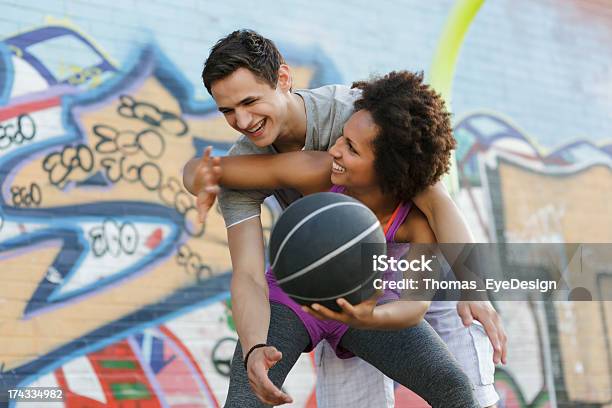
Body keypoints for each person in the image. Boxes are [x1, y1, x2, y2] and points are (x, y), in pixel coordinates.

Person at [186, 29, 505, 407]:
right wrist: (255, 345)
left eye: (250, 101)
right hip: (311, 284)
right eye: (227, 110)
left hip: (389, 280)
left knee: (462, 384)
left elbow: (436, 208)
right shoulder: (315, 166)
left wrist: (474, 289)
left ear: (283, 80)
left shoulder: (363, 115)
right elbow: (247, 269)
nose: (240, 120)